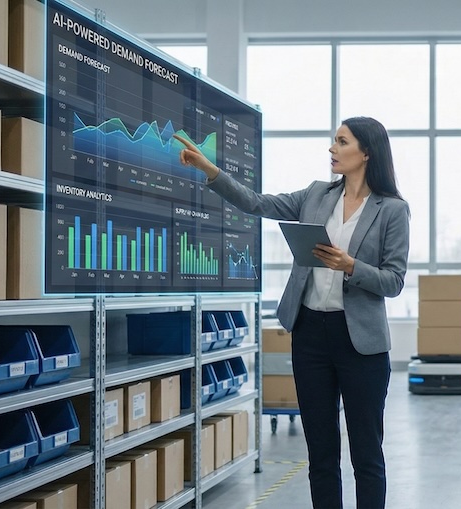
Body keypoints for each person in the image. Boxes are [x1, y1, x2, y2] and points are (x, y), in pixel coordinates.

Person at [174, 117, 410, 509]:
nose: (332, 149)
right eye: (333, 141)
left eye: (341, 142)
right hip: (310, 334)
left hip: (361, 345)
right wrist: (209, 170)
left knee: (367, 454)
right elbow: (257, 202)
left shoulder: (392, 210)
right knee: (320, 453)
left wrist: (350, 265)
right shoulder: (317, 195)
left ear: (366, 152)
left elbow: (394, 280)